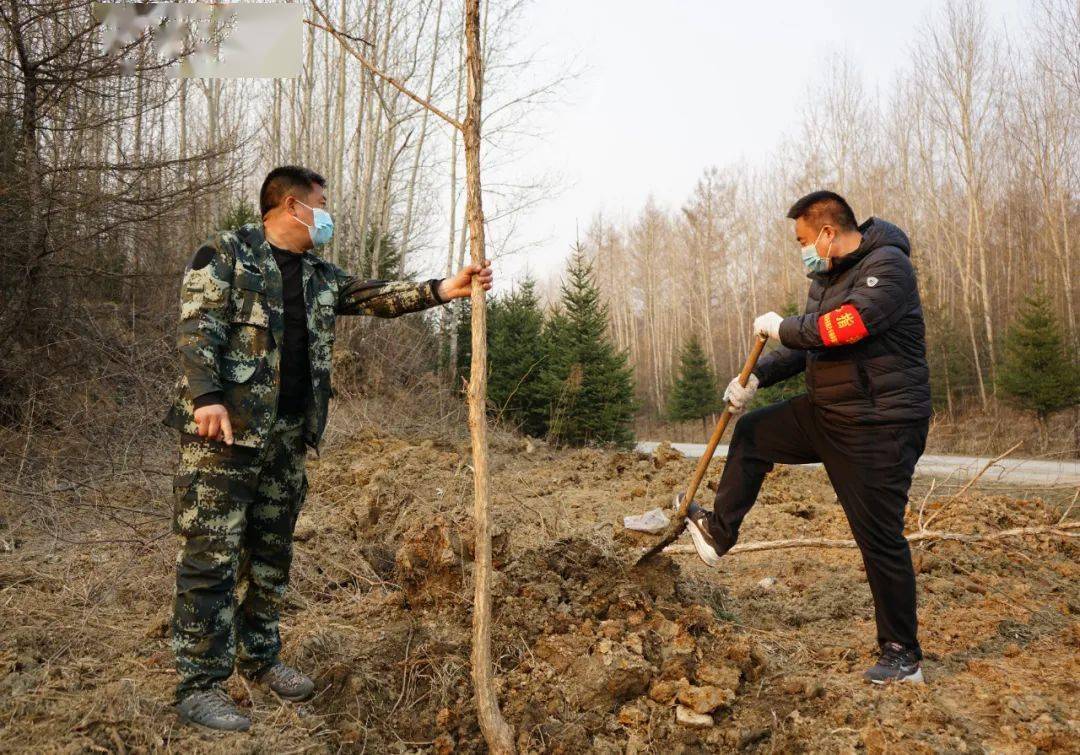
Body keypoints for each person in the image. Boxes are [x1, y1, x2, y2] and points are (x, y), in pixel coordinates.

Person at [162, 165, 492, 730]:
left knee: (270, 555)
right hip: (224, 436)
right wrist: (206, 397)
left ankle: (260, 659)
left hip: (287, 438)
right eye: (322, 203)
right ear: (292, 207)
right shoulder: (226, 252)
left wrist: (444, 289)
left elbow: (372, 296)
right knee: (209, 559)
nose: (327, 214)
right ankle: (201, 684)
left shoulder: (317, 273)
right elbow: (198, 328)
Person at [685, 190, 931, 685]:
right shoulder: (826, 277)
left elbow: (845, 327)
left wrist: (783, 326)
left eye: (802, 239)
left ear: (826, 232)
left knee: (878, 538)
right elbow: (809, 348)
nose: (801, 250)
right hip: (828, 412)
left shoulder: (890, 267)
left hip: (879, 424)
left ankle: (903, 655)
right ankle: (719, 531)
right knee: (754, 432)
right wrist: (758, 379)